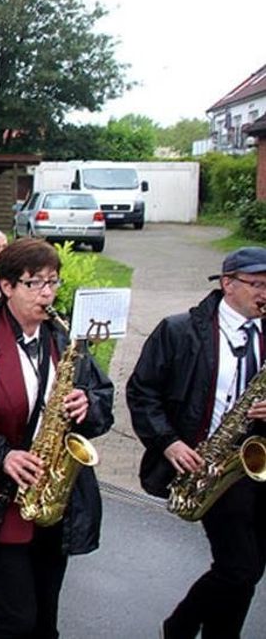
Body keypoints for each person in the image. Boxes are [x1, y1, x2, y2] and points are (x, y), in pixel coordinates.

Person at [0, 238, 113, 639]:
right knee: (14, 617)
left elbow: (103, 397)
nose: (47, 293)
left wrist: (89, 404)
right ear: (7, 286)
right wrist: (2, 457)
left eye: (53, 282)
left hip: (55, 501)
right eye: (34, 283)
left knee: (45, 622)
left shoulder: (65, 340)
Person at [127, 246, 266, 638]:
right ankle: (181, 626)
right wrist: (168, 442)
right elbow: (142, 393)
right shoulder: (179, 331)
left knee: (249, 568)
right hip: (210, 464)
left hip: (257, 460)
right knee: (239, 566)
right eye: (257, 284)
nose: (264, 294)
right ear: (227, 284)